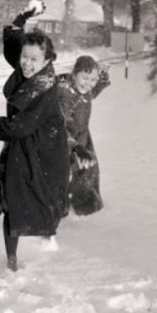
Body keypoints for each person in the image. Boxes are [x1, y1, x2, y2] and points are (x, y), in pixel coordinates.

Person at [0, 6, 70, 272]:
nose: (27, 63)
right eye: (25, 57)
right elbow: (13, 45)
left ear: (47, 61)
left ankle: (47, 248)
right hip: (25, 148)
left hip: (42, 151)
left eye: (34, 59)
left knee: (36, 202)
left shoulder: (45, 88)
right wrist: (22, 18)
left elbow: (18, 128)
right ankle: (11, 260)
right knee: (12, 202)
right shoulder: (27, 67)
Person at [56, 56, 111, 216]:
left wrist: (101, 80)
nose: (89, 83)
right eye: (85, 78)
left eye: (93, 79)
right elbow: (59, 126)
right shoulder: (64, 94)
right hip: (64, 140)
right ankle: (59, 209)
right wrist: (74, 147)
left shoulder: (83, 89)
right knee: (63, 173)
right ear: (74, 74)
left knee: (89, 169)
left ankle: (86, 205)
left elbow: (91, 92)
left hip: (82, 136)